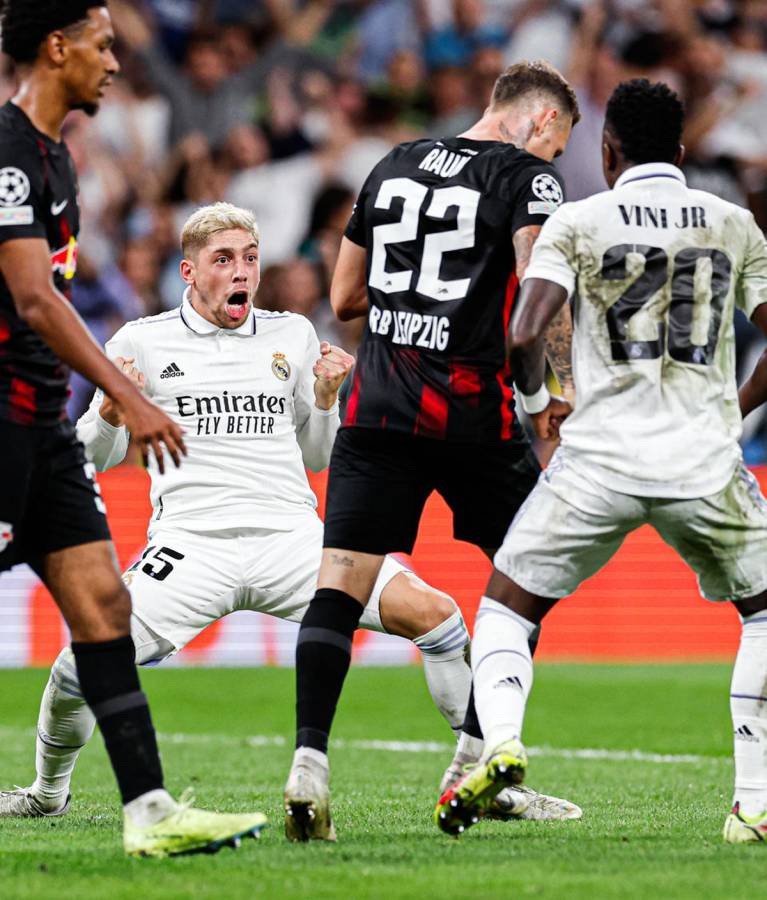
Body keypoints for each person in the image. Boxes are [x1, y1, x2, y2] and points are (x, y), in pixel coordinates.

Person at [0, 200, 478, 823]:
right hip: (192, 545)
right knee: (76, 668)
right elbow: (90, 455)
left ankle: (481, 778)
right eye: (223, 259)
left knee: (440, 619)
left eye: (250, 258)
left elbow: (318, 455)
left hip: (293, 541)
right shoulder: (142, 340)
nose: (241, 272)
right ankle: (47, 791)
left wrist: (327, 399)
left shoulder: (293, 335)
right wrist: (113, 414)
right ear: (190, 271)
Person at [434, 79, 767, 845]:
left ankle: (504, 744)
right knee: (761, 614)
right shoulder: (732, 223)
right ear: (680, 153)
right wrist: (734, 408)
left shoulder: (577, 219)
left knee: (505, 609)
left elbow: (523, 333)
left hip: (598, 460)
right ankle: (750, 805)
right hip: (703, 462)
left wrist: (535, 407)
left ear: (607, 151)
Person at [283, 60, 581, 841]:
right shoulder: (528, 178)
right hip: (472, 418)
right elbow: (538, 285)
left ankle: (307, 765)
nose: (551, 162)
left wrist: (414, 305)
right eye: (556, 146)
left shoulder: (391, 162)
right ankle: (475, 761)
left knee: (338, 588)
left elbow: (345, 297)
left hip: (377, 406)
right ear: (542, 122)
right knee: (530, 577)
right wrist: (556, 391)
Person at [0, 1, 265, 857]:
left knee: (105, 604)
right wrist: (131, 394)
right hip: (1, 426)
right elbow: (35, 299)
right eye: (103, 44)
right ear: (56, 46)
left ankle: (148, 813)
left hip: (41, 428)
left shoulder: (55, 159)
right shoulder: (8, 156)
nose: (115, 62)